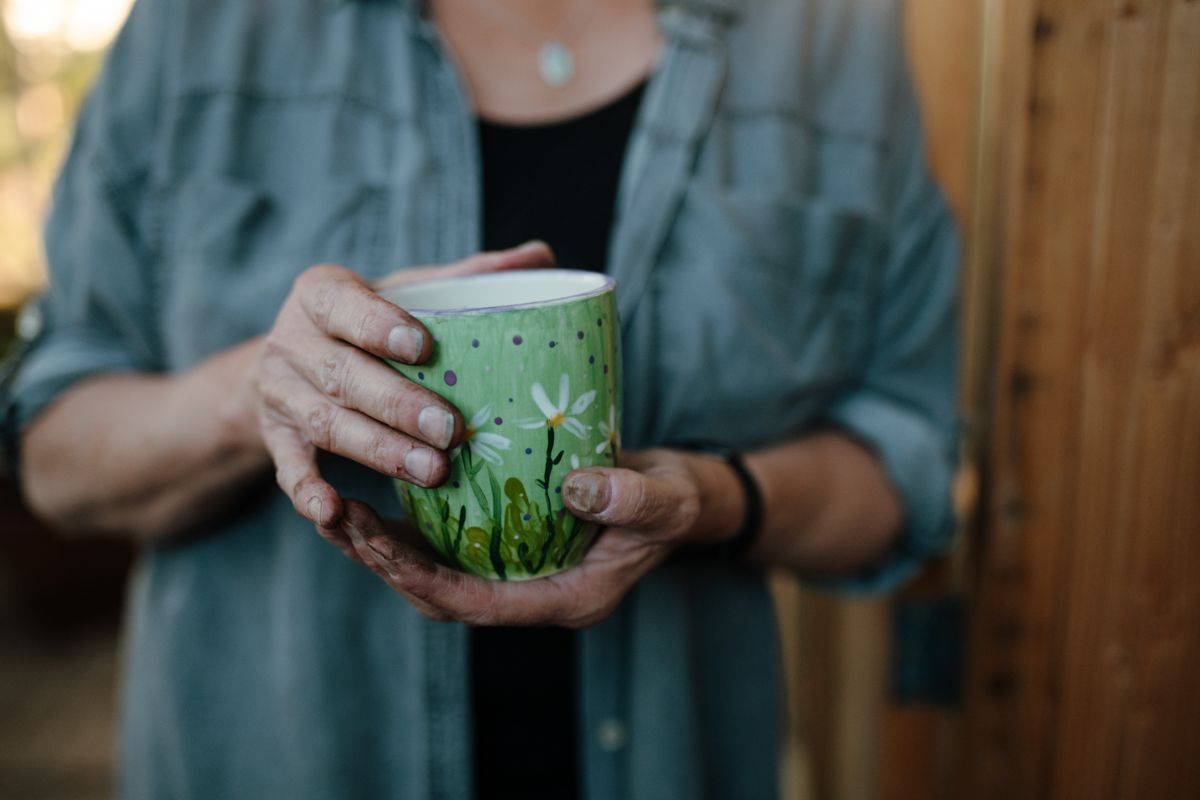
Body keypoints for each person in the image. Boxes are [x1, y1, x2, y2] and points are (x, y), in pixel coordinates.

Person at [1, 0, 959, 797]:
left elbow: (905, 467)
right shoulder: (202, 29)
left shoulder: (830, 35)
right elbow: (54, 453)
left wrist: (713, 499)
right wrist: (260, 390)